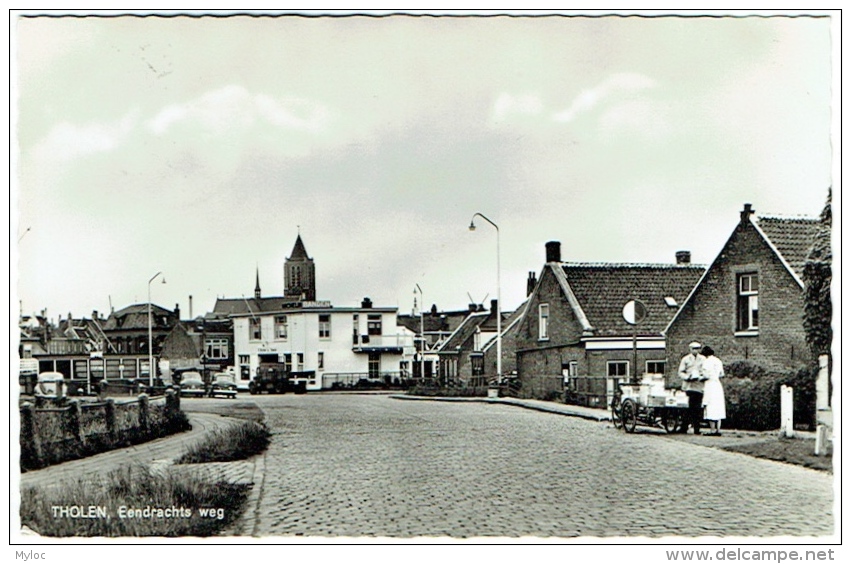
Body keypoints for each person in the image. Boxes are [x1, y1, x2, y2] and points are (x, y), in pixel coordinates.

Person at [678, 341, 706, 434]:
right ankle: (684, 427)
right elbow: (680, 372)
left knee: (697, 408)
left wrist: (701, 376)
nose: (696, 351)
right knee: (688, 407)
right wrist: (687, 377)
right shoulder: (685, 359)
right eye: (694, 349)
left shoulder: (703, 359)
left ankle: (697, 428)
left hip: (699, 386)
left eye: (697, 349)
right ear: (690, 349)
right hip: (689, 386)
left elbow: (705, 371)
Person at [700, 345, 726, 436]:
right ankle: (718, 429)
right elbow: (722, 374)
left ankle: (712, 430)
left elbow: (706, 375)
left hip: (710, 385)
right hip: (717, 385)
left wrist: (700, 377)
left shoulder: (706, 362)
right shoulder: (718, 361)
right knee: (718, 406)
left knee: (709, 405)